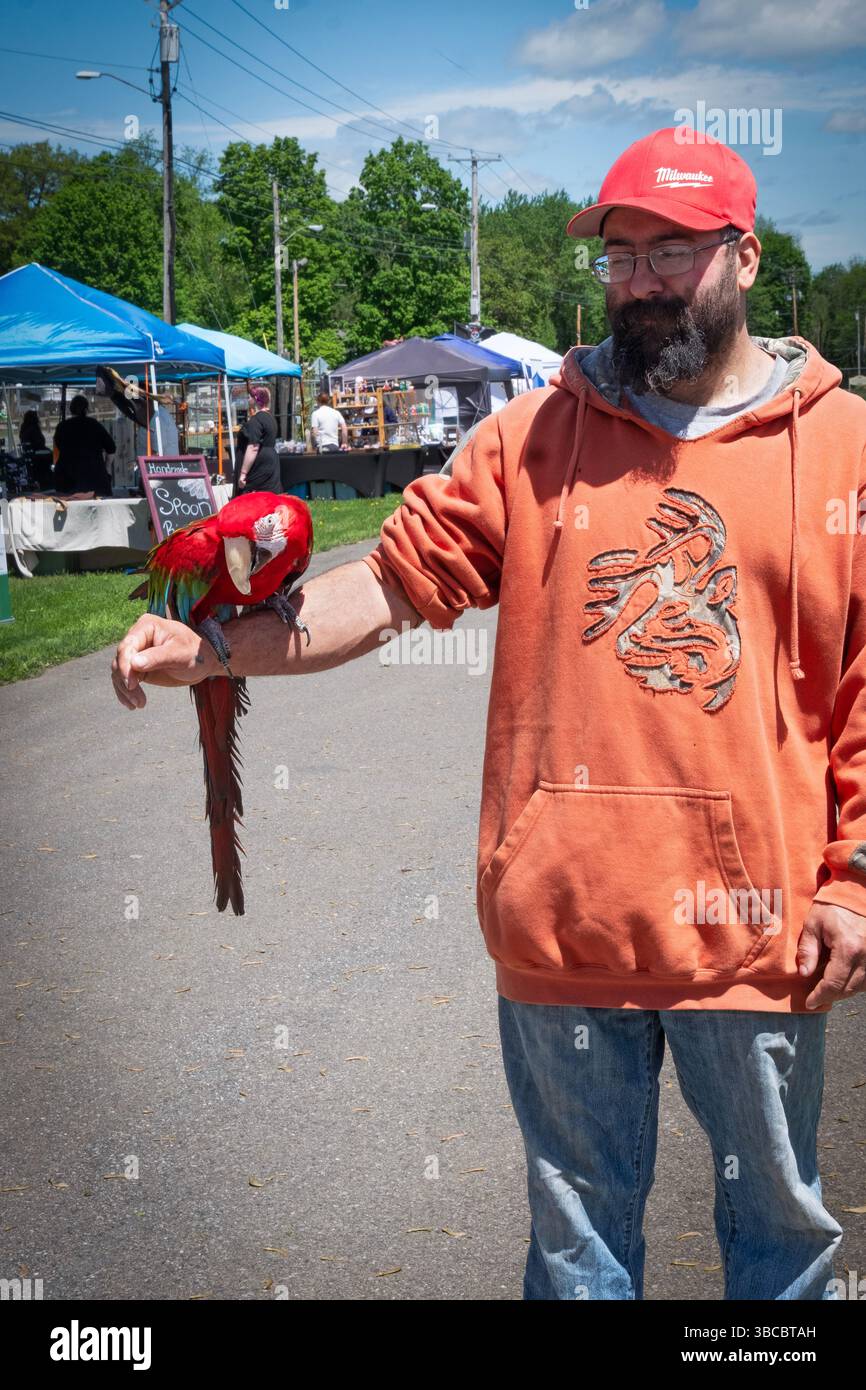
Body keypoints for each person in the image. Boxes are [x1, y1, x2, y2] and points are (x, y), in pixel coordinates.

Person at [112, 125, 866, 1301]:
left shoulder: (839, 450)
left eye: (671, 251)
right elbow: (388, 584)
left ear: (747, 259)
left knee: (779, 1259)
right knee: (577, 1266)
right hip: (561, 930)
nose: (640, 280)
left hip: (752, 934)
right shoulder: (527, 440)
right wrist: (212, 649)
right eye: (619, 257)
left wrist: (849, 878)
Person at [53, 394, 116, 496]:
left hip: (67, 480)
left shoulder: (62, 426)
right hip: (94, 480)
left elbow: (59, 446)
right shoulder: (94, 425)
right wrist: (107, 467)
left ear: (71, 409)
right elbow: (111, 447)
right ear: (86, 409)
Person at [232, 384, 280, 497]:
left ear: (256, 400)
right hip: (270, 461)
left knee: (252, 497)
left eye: (250, 397)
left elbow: (253, 447)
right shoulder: (270, 418)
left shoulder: (256, 420)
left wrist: (243, 474)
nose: (248, 399)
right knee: (268, 496)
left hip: (258, 465)